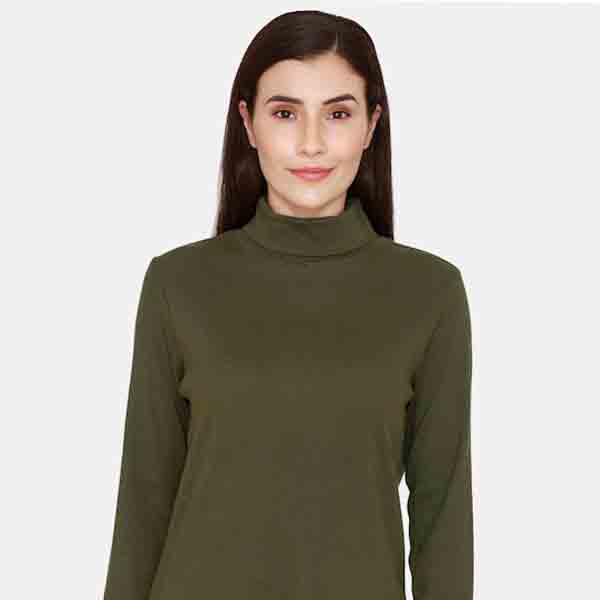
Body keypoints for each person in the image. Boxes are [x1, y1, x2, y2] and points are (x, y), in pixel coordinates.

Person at [102, 10, 474, 600]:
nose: (311, 143)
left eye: (338, 113)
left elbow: (442, 517)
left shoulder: (430, 293)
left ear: (372, 125)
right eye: (284, 113)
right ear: (247, 123)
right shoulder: (178, 285)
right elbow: (143, 506)